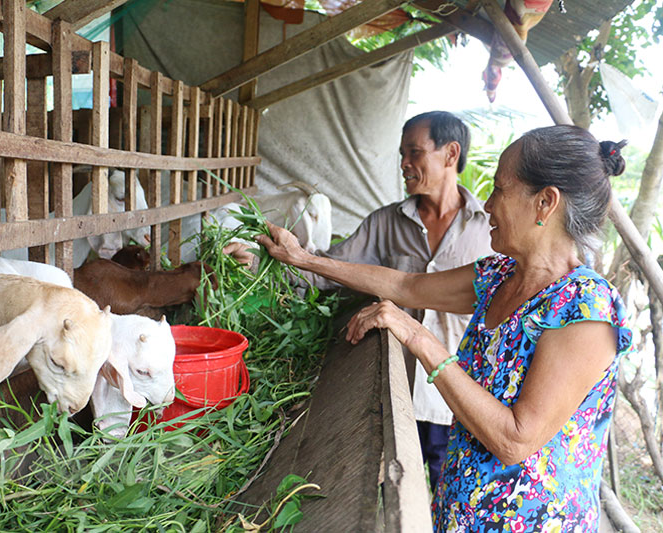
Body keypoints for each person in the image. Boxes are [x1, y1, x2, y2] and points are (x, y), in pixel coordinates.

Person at [256, 124, 632, 531]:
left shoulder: (585, 309)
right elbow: (407, 286)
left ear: (545, 202)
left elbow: (515, 440)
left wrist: (418, 337)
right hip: (462, 512)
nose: (487, 205)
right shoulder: (499, 276)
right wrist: (304, 259)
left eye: (500, 190)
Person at [226, 111, 493, 492]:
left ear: (451, 154)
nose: (404, 164)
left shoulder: (487, 231)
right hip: (395, 389)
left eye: (415, 152)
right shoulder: (386, 223)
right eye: (402, 153)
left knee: (454, 494)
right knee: (397, 493)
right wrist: (260, 261)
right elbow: (330, 270)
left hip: (459, 396)